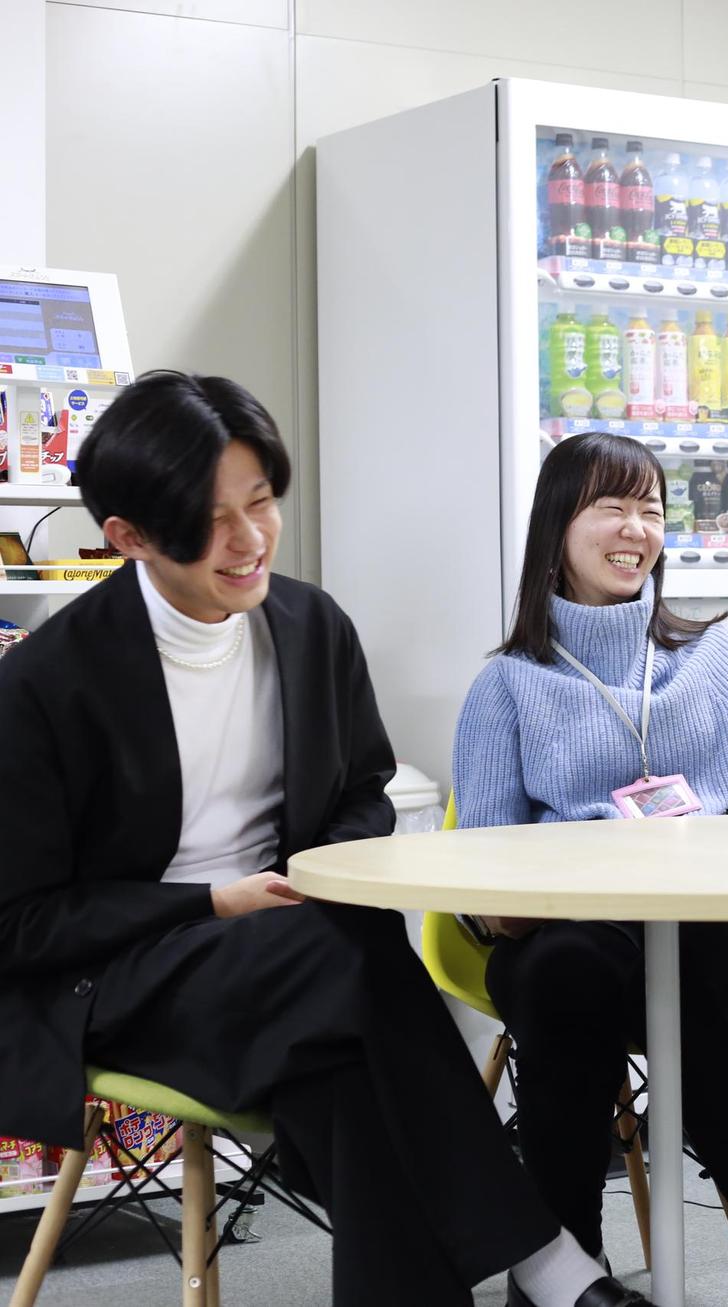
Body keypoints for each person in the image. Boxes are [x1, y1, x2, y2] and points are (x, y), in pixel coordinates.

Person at [0, 372, 649, 1307]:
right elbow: (20, 924)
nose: (250, 538)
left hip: (301, 968)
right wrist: (215, 901)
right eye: (210, 520)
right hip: (128, 975)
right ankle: (550, 1262)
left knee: (343, 1067)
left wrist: (308, 875)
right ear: (129, 537)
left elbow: (362, 795)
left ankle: (540, 1271)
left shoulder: (310, 626)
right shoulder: (46, 683)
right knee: (341, 953)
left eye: (261, 500)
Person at [452, 433, 728, 1307]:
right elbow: (482, 869)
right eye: (613, 507)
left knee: (640, 978)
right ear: (558, 525)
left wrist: (721, 851)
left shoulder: (719, 657)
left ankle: (558, 1282)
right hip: (568, 944)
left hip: (709, 934)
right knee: (582, 968)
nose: (637, 529)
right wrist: (551, 888)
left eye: (652, 510)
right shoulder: (507, 685)